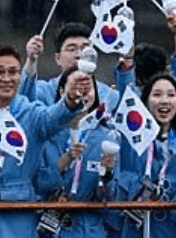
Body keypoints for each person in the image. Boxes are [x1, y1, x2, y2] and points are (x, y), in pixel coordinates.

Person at [0, 44, 89, 238]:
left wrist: (70, 99)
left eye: (13, 72)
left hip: (13, 217)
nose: (7, 79)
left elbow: (54, 118)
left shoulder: (32, 114)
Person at [36, 66, 119, 238]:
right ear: (62, 91)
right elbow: (38, 184)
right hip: (49, 225)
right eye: (76, 87)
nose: (82, 93)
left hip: (89, 229)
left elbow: (107, 198)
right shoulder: (45, 131)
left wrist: (107, 174)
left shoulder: (107, 137)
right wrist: (65, 161)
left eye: (88, 89)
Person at [120, 73, 176, 238]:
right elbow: (126, 100)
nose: (164, 100)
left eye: (171, 95)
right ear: (146, 100)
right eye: (156, 95)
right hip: (135, 226)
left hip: (174, 228)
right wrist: (126, 67)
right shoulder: (135, 140)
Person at [22, 23, 122, 109]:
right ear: (57, 58)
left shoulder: (108, 95)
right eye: (72, 49)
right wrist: (31, 60)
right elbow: (23, 100)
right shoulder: (44, 91)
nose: (79, 55)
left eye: (85, 49)